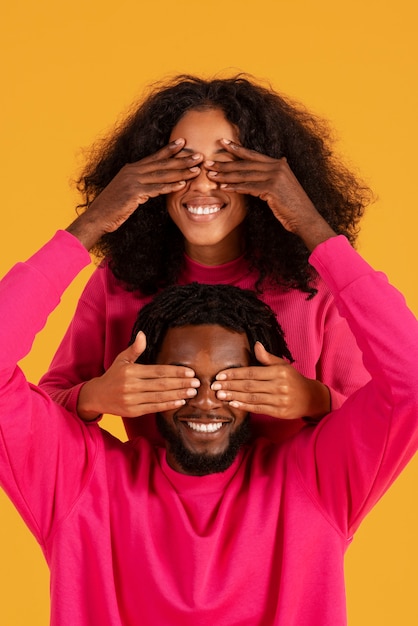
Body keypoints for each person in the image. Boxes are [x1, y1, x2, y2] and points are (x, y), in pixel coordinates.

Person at [0, 180, 417, 626]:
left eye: (228, 380)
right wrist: (92, 225)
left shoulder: (314, 481)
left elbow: (409, 378)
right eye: (180, 378)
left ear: (259, 387)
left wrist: (311, 226)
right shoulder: (79, 480)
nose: (203, 399)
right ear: (145, 380)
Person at [38, 74, 373, 442]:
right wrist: (94, 396)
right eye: (182, 165)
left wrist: (314, 399)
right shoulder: (117, 281)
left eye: (226, 164)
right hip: (150, 497)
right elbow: (37, 409)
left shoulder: (315, 287)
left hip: (287, 497)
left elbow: (382, 416)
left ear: (265, 179)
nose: (201, 183)